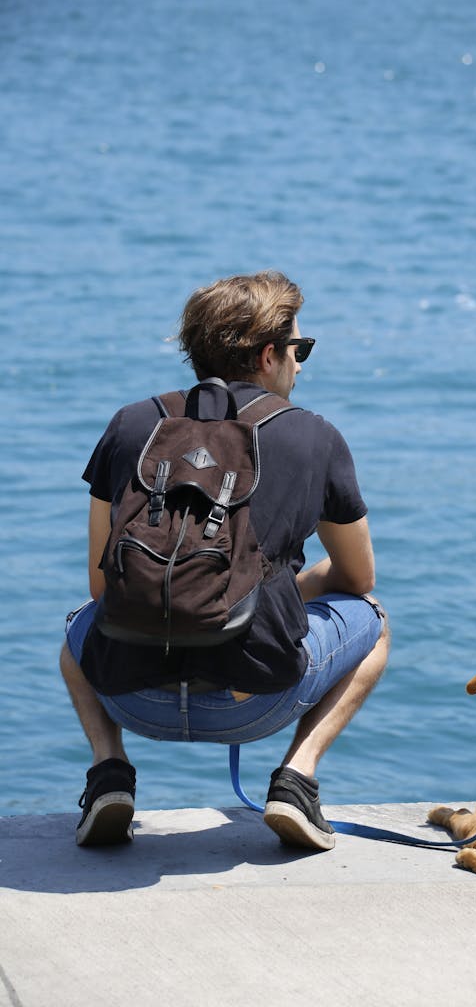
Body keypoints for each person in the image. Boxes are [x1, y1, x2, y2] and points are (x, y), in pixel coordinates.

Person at [60, 270, 389, 853]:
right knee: (374, 619)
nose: (301, 365)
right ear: (268, 356)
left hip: (133, 699)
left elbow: (100, 581)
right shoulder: (315, 437)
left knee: (77, 625)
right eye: (299, 349)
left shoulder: (132, 424)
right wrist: (275, 585)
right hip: (254, 702)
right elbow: (358, 579)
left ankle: (110, 770)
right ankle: (297, 779)